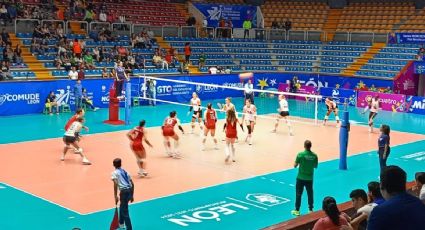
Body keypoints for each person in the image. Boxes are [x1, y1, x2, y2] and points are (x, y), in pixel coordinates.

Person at [292, 140, 318, 216]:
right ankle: (310, 209)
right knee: (310, 193)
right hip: (309, 178)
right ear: (310, 146)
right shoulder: (314, 156)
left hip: (300, 178)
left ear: (304, 146)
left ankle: (297, 210)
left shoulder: (300, 155)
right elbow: (315, 166)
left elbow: (295, 165)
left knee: (298, 194)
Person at [111, 158, 134, 230]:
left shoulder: (114, 173)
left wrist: (115, 196)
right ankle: (121, 223)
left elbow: (115, 184)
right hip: (129, 190)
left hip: (123, 192)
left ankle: (129, 228)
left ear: (113, 165)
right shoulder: (126, 171)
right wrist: (132, 195)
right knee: (122, 207)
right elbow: (132, 184)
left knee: (125, 211)